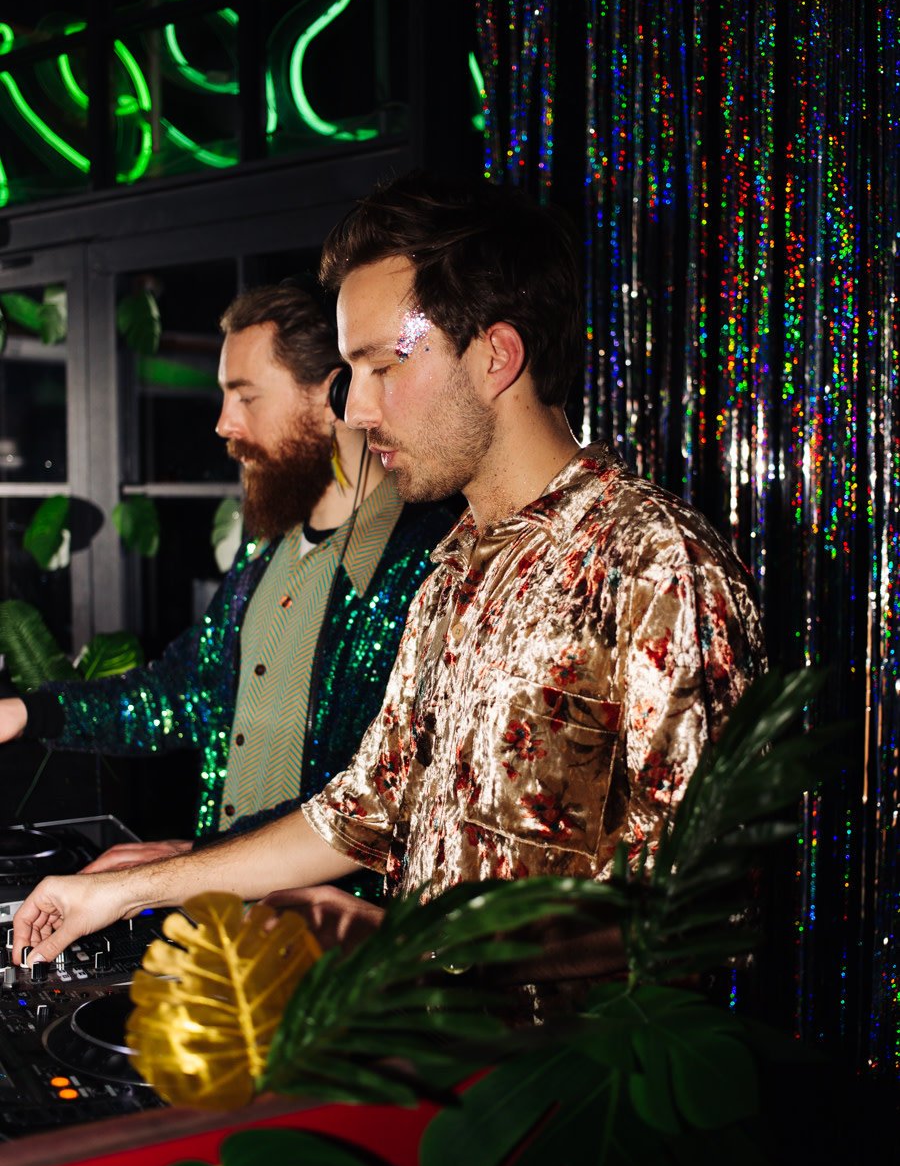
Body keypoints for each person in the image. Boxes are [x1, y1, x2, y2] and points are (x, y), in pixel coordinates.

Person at [12, 173, 765, 982]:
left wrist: (413, 950)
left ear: (497, 357)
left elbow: (705, 911)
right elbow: (360, 810)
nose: (356, 411)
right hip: (409, 1048)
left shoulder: (655, 565)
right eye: (350, 371)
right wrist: (124, 891)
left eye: (382, 365)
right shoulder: (452, 570)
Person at [0, 283, 453, 893]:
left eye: (246, 396)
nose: (223, 423)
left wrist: (190, 859)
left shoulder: (428, 561)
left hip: (339, 938)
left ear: (334, 396)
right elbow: (180, 692)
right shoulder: (265, 550)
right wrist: (27, 712)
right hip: (226, 919)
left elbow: (397, 799)